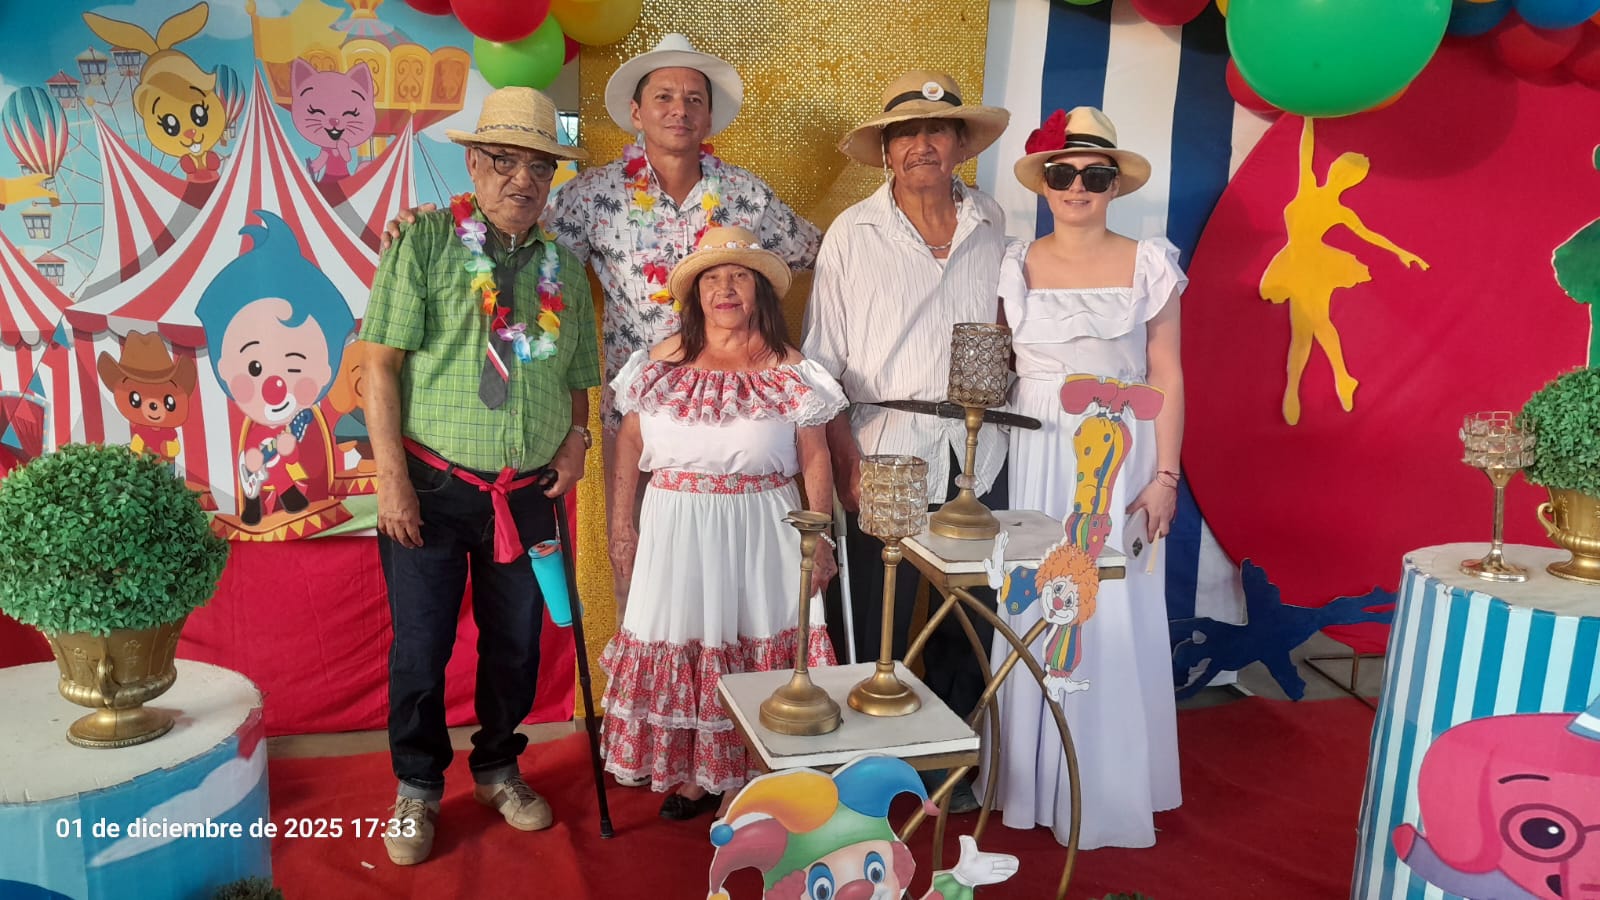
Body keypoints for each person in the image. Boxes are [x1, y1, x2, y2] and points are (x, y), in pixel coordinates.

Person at [361, 87, 600, 866]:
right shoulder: (424, 242)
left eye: (539, 166)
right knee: (421, 647)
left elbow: (579, 379)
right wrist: (391, 479)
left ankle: (499, 766)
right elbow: (380, 367)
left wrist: (576, 442)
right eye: (503, 160)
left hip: (527, 496)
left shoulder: (566, 269)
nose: (521, 179)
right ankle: (417, 786)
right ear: (472, 163)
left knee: (517, 645)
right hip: (430, 487)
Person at [545, 33, 822, 623]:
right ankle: (650, 681)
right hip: (641, 419)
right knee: (638, 564)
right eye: (664, 97)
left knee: (738, 581)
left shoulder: (745, 194)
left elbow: (817, 251)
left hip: (740, 417)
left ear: (709, 117)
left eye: (694, 99)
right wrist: (444, 223)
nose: (680, 110)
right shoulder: (593, 195)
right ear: (636, 112)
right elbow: (530, 260)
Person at [801, 69, 1010, 814]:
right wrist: (845, 462)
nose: (922, 145)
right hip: (882, 445)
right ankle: (867, 767)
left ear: (960, 144)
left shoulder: (994, 222)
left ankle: (949, 766)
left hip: (978, 450)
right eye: (906, 133)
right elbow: (821, 367)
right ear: (887, 151)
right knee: (877, 614)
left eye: (937, 130)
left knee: (968, 612)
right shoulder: (851, 234)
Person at [983, 106, 1185, 850]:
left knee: (1113, 605)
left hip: (1121, 451)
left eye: (1095, 175)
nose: (1077, 187)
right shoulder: (1015, 263)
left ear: (1114, 185)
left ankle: (1106, 783)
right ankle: (1028, 780)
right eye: (1063, 173)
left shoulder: (1149, 263)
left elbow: (1168, 374)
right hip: (1038, 451)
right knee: (1036, 595)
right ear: (1043, 182)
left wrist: (1166, 475)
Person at [600, 225, 844, 821]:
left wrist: (818, 538)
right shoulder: (657, 363)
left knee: (753, 642)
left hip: (764, 525)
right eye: (712, 277)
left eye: (739, 276)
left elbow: (815, 454)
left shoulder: (793, 369)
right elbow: (629, 443)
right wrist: (621, 527)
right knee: (688, 637)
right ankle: (693, 772)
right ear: (696, 293)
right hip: (675, 529)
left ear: (759, 290)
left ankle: (745, 775)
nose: (725, 288)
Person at [1260, 116, 1429, 426]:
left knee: (1307, 326)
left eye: (1347, 173)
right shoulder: (1310, 187)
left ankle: (1297, 388)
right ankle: (1336, 378)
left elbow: (1371, 236)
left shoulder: (1337, 209)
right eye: (1342, 168)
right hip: (1297, 262)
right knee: (1310, 325)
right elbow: (1306, 149)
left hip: (1313, 265)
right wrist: (1308, 116)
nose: (1340, 174)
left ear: (1348, 180)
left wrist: (1402, 252)